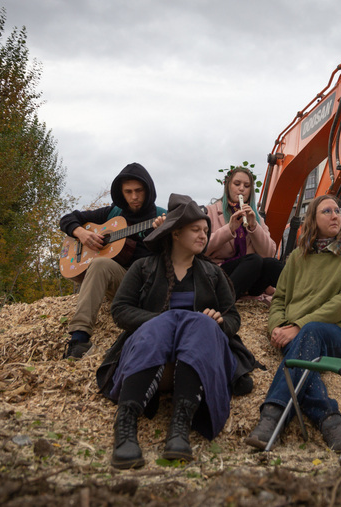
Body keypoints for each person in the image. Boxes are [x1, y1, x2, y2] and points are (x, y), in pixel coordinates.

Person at [96, 194, 241, 469]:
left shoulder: (212, 273)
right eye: (196, 230)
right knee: (167, 322)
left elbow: (233, 317)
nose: (203, 236)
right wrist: (164, 321)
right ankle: (125, 424)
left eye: (206, 231)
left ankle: (180, 428)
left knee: (200, 323)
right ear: (176, 233)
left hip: (197, 356)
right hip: (153, 352)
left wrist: (219, 321)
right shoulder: (144, 267)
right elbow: (121, 310)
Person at [245, 194, 341, 452]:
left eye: (337, 210)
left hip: (340, 333)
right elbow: (279, 300)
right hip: (298, 334)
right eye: (327, 211)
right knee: (304, 353)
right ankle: (331, 423)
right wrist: (276, 327)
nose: (335, 215)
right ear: (313, 219)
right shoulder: (297, 258)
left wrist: (298, 325)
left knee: (309, 334)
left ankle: (272, 415)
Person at [59, 162, 166, 359]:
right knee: (100, 263)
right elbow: (67, 218)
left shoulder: (161, 216)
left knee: (101, 263)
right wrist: (81, 232)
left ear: (148, 190)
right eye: (128, 192)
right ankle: (79, 338)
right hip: (117, 282)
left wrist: (161, 236)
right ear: (121, 193)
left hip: (144, 287)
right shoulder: (112, 213)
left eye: (139, 191)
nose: (134, 197)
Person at [206, 166, 283, 300]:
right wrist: (229, 229)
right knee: (254, 260)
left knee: (272, 264)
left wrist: (254, 227)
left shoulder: (257, 217)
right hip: (220, 273)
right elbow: (201, 249)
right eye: (237, 184)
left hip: (250, 275)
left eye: (246, 186)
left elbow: (269, 253)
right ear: (228, 186)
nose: (241, 188)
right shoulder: (210, 212)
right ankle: (223, 300)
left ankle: (297, 299)